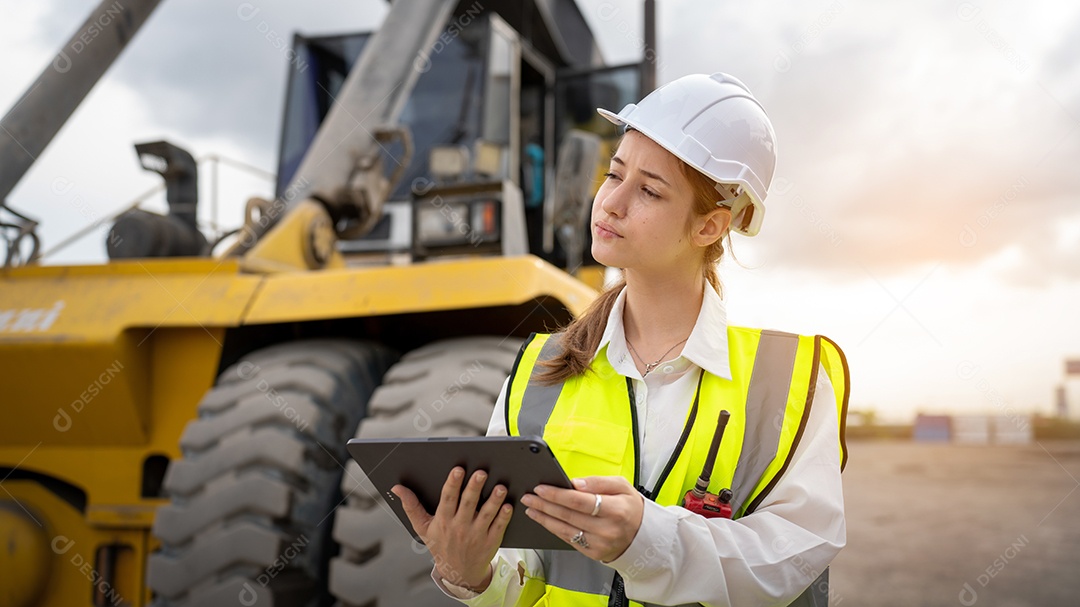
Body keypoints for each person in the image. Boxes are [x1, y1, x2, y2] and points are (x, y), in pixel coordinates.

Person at [392, 72, 850, 607]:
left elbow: (794, 558)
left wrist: (647, 540)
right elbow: (527, 571)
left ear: (709, 226)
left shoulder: (792, 379)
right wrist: (474, 573)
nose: (610, 202)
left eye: (650, 190)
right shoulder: (540, 369)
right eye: (614, 174)